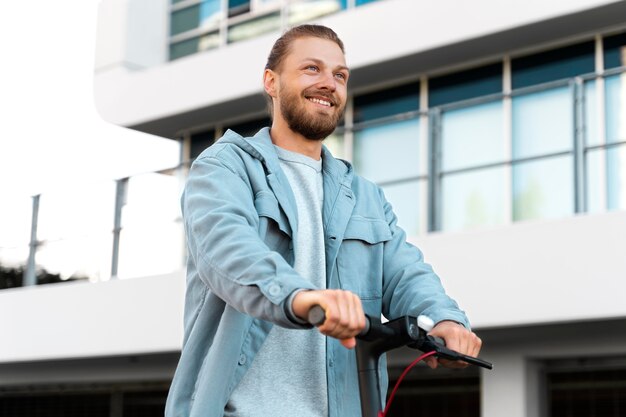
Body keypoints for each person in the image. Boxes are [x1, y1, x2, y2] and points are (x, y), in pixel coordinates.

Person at [165, 24, 482, 417]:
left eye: (340, 75)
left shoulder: (364, 194)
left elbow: (406, 272)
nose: (329, 83)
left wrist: (445, 320)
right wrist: (300, 298)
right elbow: (228, 251)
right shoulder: (225, 167)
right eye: (311, 69)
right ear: (271, 82)